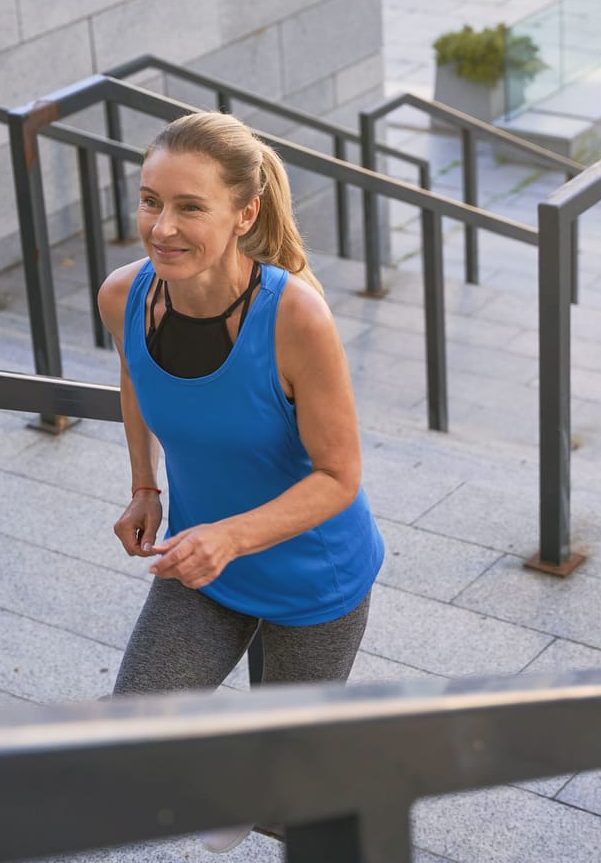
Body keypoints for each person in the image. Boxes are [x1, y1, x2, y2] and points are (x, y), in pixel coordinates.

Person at [98, 112, 385, 847]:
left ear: (243, 213)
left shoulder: (294, 317)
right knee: (130, 730)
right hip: (204, 563)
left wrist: (229, 536)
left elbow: (340, 476)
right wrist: (144, 486)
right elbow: (135, 376)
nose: (161, 226)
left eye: (190, 206)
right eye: (150, 200)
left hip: (313, 577)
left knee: (289, 798)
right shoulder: (124, 295)